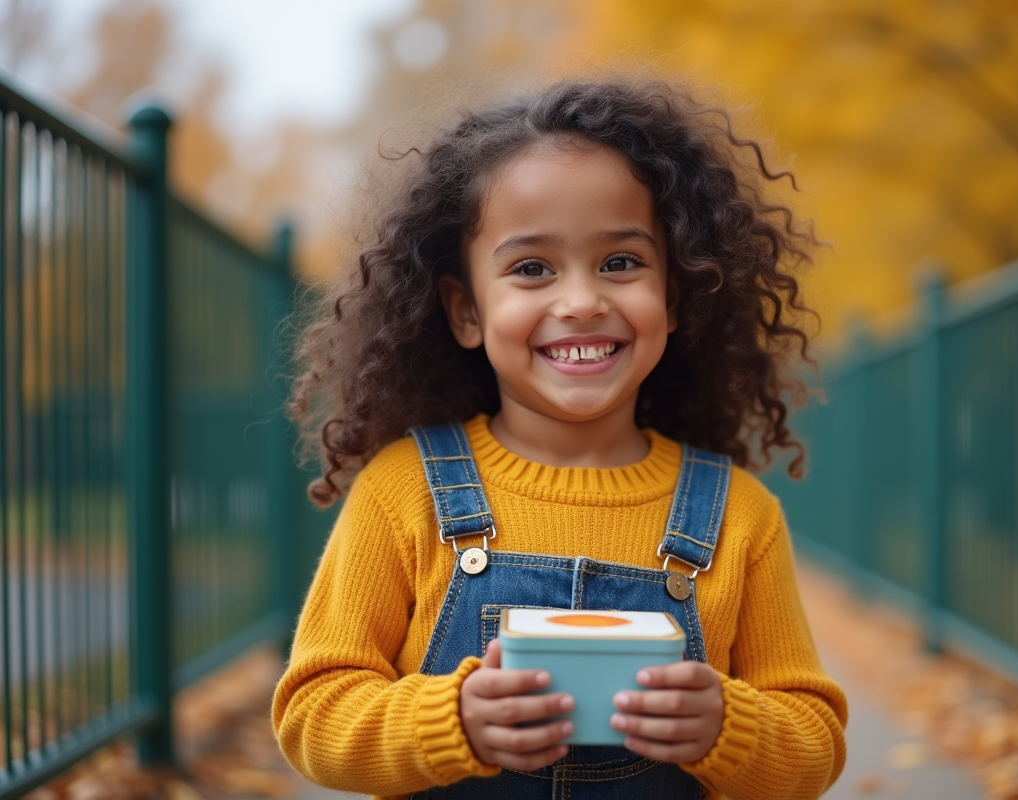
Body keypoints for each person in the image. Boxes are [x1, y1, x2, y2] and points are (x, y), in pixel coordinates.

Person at [272, 77, 847, 800]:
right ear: (465, 310)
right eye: (532, 269)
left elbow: (815, 742)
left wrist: (729, 727)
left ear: (672, 298)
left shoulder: (738, 515)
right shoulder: (404, 490)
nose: (581, 301)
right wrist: (447, 722)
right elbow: (312, 711)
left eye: (621, 263)